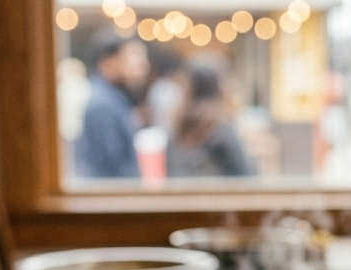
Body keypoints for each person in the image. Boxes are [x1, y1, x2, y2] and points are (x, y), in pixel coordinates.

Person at [73, 35, 150, 179]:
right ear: (107, 62)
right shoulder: (104, 106)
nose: (143, 64)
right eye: (134, 56)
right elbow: (113, 174)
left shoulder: (113, 99)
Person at [167, 63, 256, 178]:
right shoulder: (222, 127)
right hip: (218, 194)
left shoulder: (177, 125)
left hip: (182, 193)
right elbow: (246, 174)